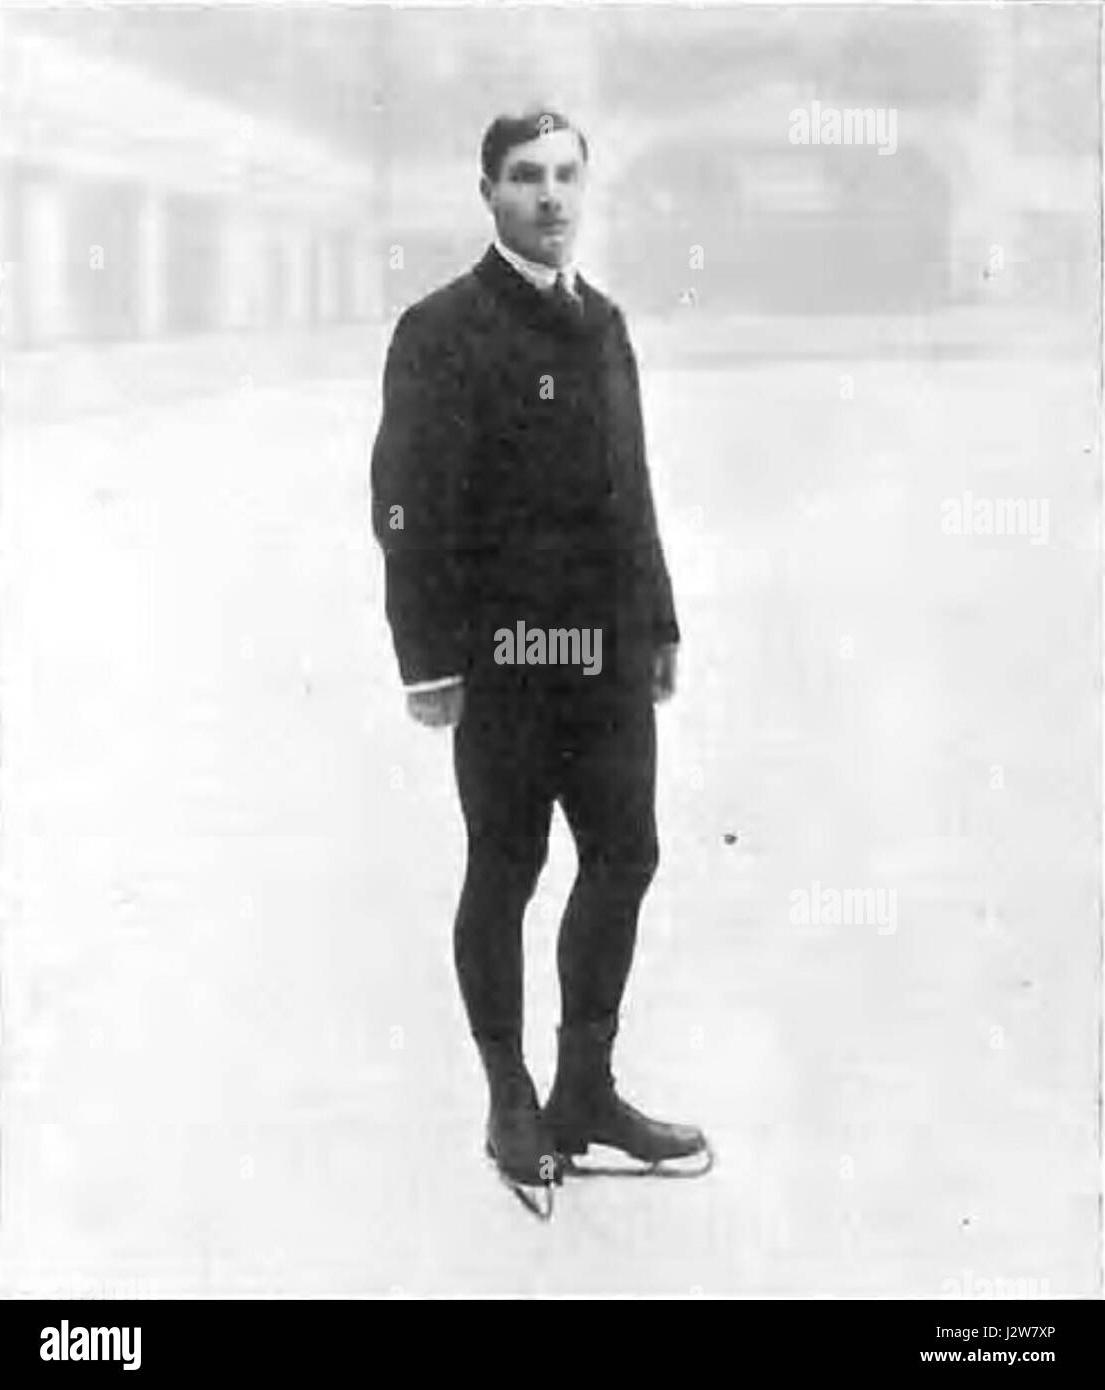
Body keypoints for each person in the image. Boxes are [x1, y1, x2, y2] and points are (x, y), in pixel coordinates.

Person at [371, 109, 709, 1206]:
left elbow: (634, 483)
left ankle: (584, 1090)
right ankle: (508, 1096)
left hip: (606, 660)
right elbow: (405, 507)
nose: (549, 197)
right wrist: (428, 659)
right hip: (506, 660)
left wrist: (655, 622)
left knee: (625, 856)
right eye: (526, 177)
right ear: (486, 192)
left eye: (566, 175)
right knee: (505, 869)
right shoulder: (440, 329)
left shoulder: (603, 322)